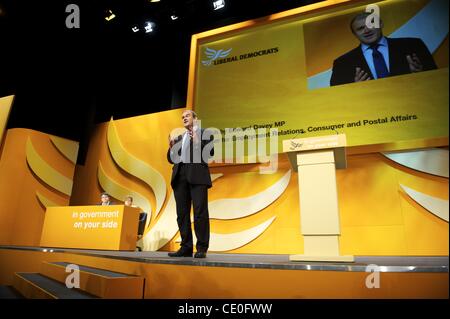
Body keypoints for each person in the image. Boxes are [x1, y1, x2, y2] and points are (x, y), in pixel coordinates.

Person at [330, 12, 437, 86]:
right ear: (354, 34)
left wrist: (422, 75)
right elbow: (337, 97)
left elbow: (438, 80)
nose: (367, 30)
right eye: (360, 28)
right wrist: (354, 88)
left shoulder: (413, 45)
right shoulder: (342, 63)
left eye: (371, 24)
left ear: (380, 24)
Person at [167, 110, 214, 258]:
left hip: (197, 175)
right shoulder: (180, 137)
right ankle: (186, 247)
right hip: (180, 176)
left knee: (200, 213)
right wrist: (171, 147)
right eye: (182, 117)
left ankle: (201, 248)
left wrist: (198, 141)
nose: (184, 119)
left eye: (187, 116)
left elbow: (209, 154)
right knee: (182, 214)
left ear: (195, 118)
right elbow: (171, 159)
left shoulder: (206, 133)